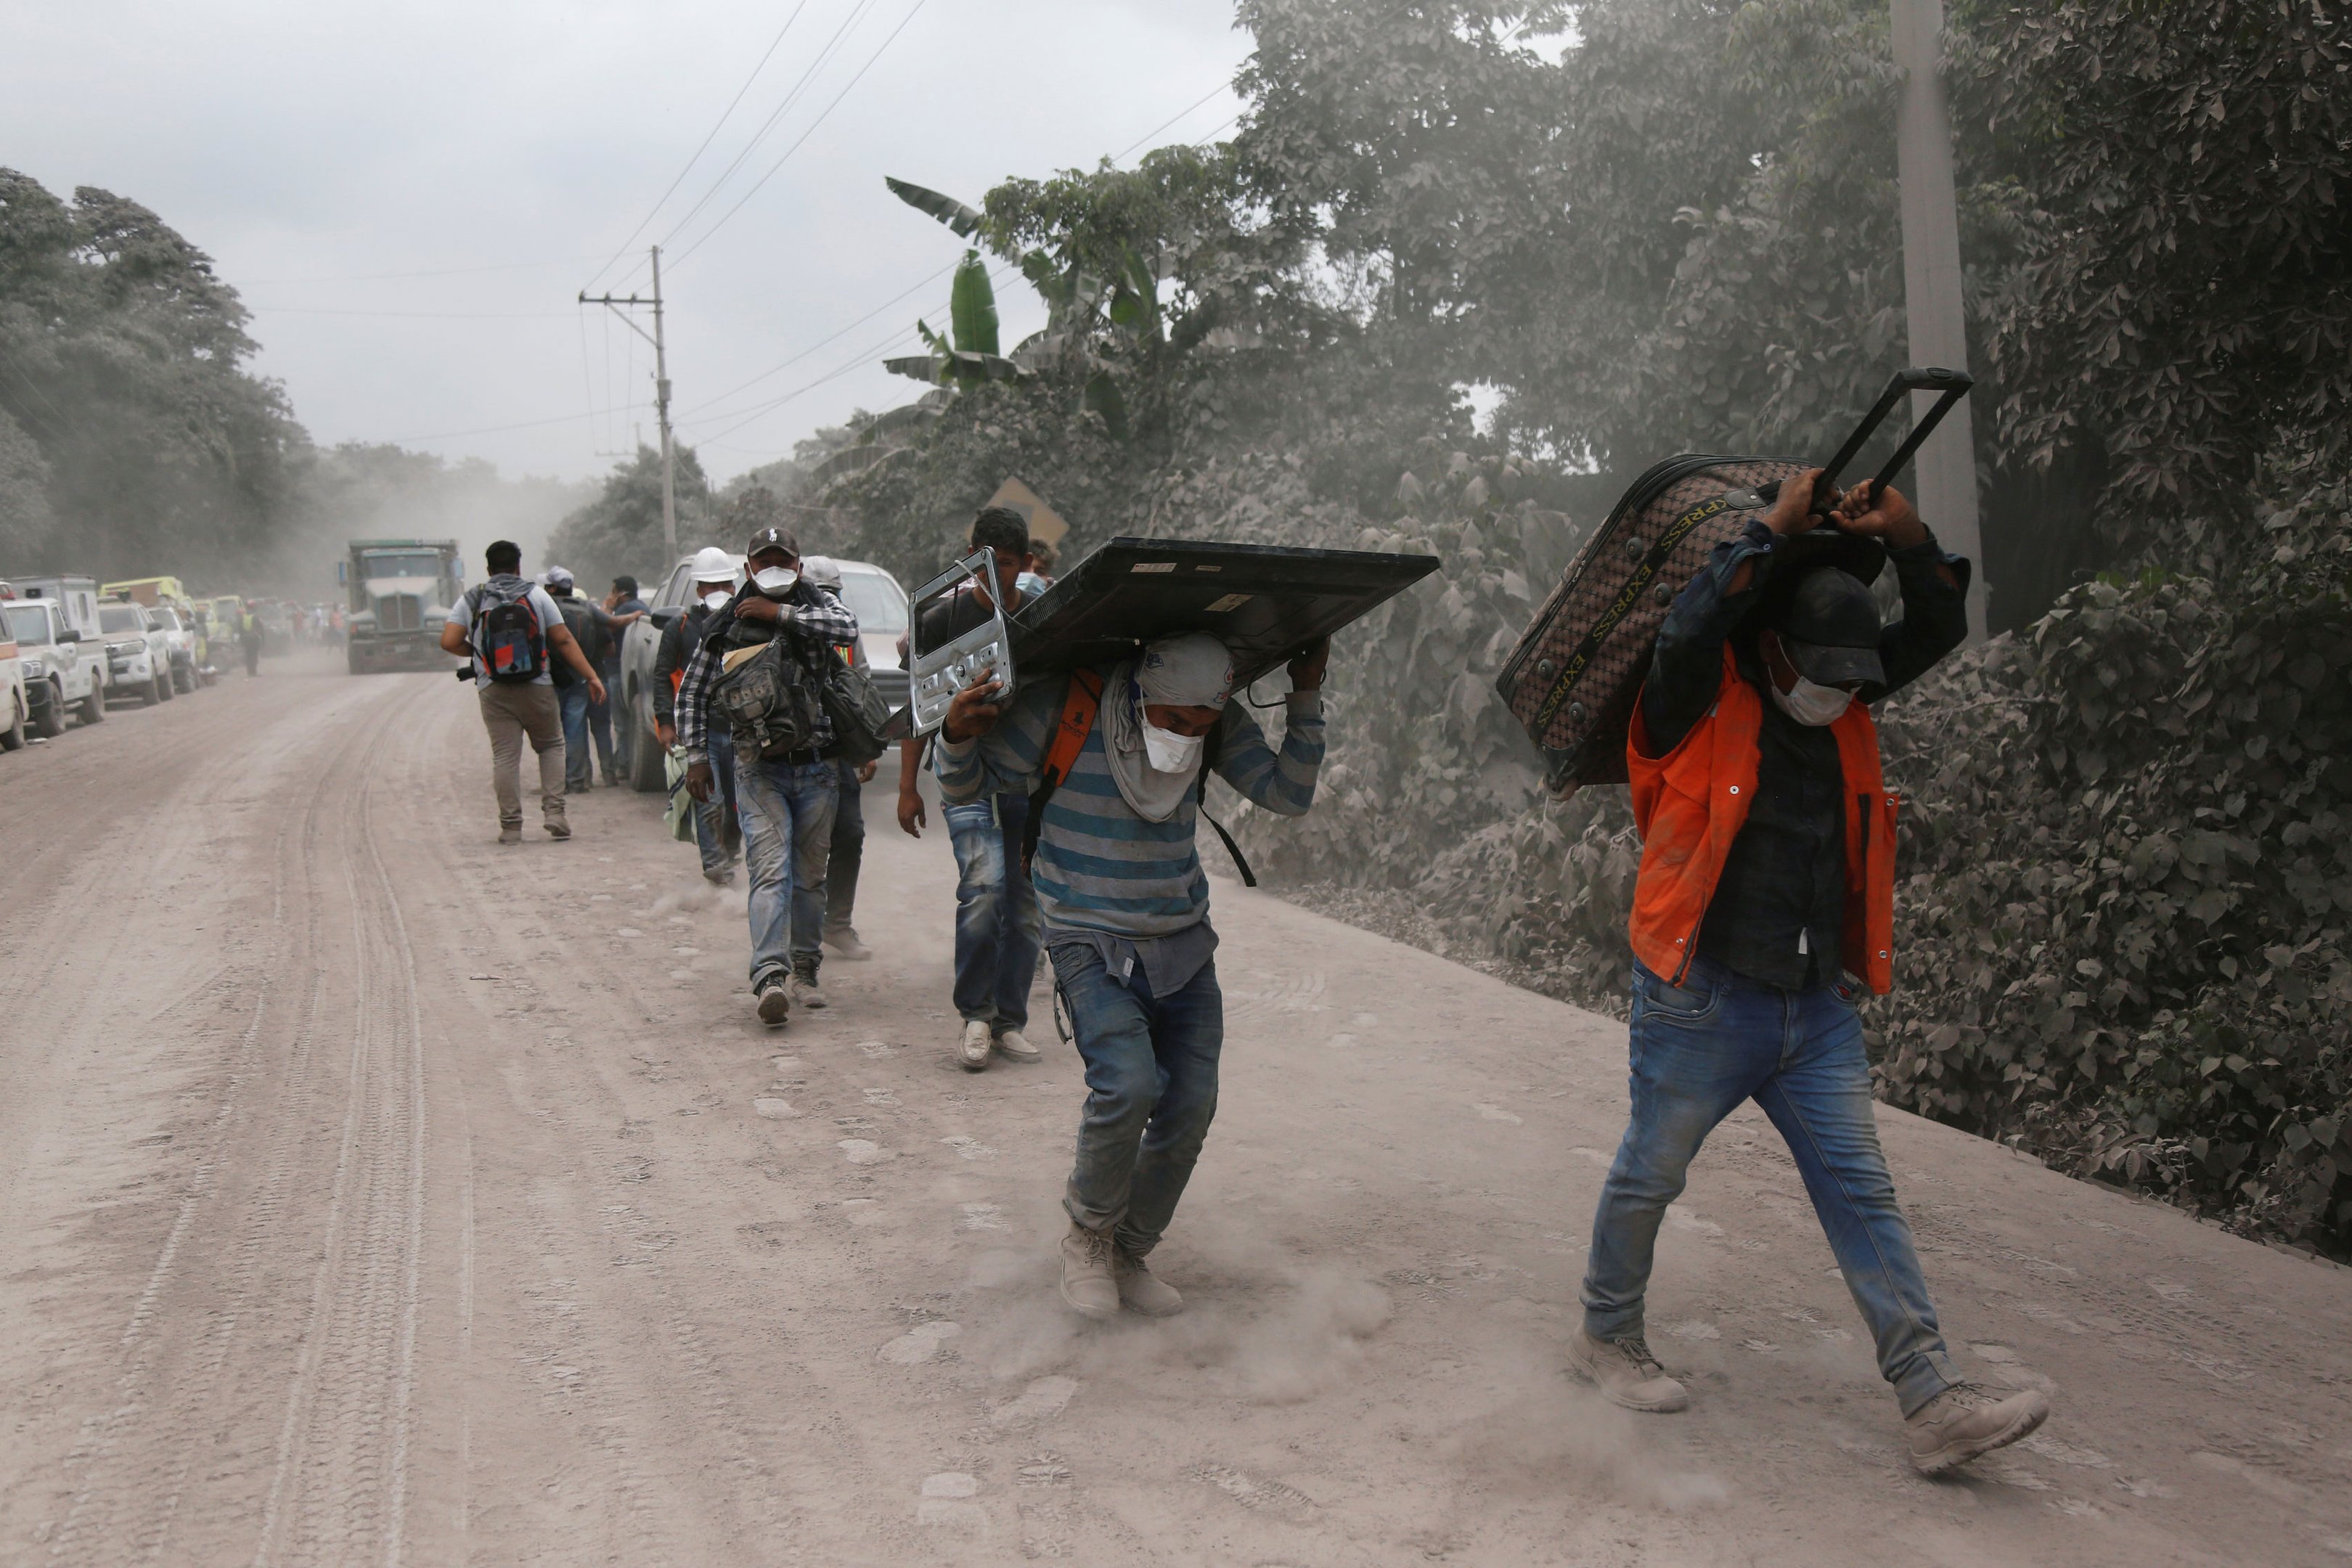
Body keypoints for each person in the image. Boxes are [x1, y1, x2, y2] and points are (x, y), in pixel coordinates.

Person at [1569, 470, 2049, 1475]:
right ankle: (1607, 1334)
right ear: (1775, 644)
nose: (1838, 695)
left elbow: (1935, 625)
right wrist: (1765, 533)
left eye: (1854, 681)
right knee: (1652, 1171)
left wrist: (1911, 537)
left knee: (1862, 1190)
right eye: (1819, 673)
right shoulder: (1694, 701)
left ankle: (1931, 1400)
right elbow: (1688, 632)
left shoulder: (1847, 698)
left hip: (1816, 1005)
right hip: (1703, 995)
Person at [937, 627, 1331, 1319]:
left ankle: (1130, 1249)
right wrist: (957, 736)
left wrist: (1305, 696)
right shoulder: (1069, 709)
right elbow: (973, 784)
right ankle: (1087, 1237)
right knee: (1128, 1085)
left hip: (1181, 937)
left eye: (1201, 725)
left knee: (1190, 1106)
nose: (1187, 736)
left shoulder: (1213, 722)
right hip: (1086, 931)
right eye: (1174, 721)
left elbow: (1288, 795)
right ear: (1141, 691)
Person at [675, 525, 861, 1027]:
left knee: (809, 879)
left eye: (785, 560)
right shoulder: (724, 625)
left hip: (819, 767)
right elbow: (692, 692)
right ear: (749, 569)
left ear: (799, 566)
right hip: (759, 771)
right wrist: (695, 755)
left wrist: (780, 614)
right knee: (770, 872)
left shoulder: (818, 607)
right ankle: (770, 977)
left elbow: (847, 630)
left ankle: (805, 969)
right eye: (766, 561)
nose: (776, 569)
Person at [899, 508, 1049, 1069]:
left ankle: (1009, 1019)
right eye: (982, 563)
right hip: (964, 781)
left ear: (1025, 564)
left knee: (1026, 904)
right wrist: (908, 787)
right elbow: (919, 710)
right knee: (984, 889)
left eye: (1005, 564)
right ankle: (976, 1016)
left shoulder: (1041, 618)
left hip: (1025, 786)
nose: (991, 575)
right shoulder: (939, 619)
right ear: (970, 559)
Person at [440, 539, 605, 844]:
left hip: (494, 688)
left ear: (488, 569)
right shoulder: (537, 595)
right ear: (518, 567)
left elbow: (449, 641)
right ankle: (555, 814)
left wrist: (480, 656)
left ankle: (511, 826)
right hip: (538, 686)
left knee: (505, 757)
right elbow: (564, 640)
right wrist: (591, 676)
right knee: (552, 746)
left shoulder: (473, 599)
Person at [799, 556, 879, 960]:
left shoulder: (846, 628)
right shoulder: (786, 624)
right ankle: (793, 934)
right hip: (795, 752)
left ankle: (837, 924)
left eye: (833, 595)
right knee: (798, 843)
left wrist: (866, 745)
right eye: (821, 595)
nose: (829, 603)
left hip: (837, 749)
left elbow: (860, 680)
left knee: (849, 834)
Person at [656, 547, 746, 884]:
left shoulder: (748, 622)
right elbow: (663, 676)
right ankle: (715, 867)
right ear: (698, 591)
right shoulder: (681, 627)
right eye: (711, 585)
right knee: (709, 801)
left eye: (724, 583)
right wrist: (666, 723)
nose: (718, 591)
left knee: (739, 805)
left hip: (740, 731)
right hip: (702, 731)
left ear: (735, 586)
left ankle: (731, 857)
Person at [604, 576, 649, 783]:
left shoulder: (623, 610)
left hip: (617, 672)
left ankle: (623, 765)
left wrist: (607, 608)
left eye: (613, 592)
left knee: (621, 723)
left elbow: (604, 630)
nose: (611, 596)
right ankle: (627, 761)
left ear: (621, 593)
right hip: (637, 673)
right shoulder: (642, 607)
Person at [237, 600, 263, 677]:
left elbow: (239, 629)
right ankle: (254, 672)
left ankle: (249, 672)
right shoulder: (256, 617)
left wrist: (241, 640)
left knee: (248, 655)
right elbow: (260, 628)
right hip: (254, 639)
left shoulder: (242, 618)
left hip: (246, 639)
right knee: (254, 655)